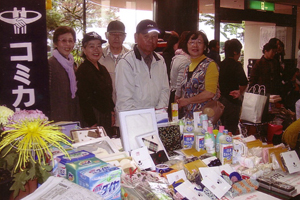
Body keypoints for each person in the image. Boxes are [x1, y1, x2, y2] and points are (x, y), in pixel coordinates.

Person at [115, 19, 169, 113]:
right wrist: (143, 119)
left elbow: (165, 90)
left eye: (154, 37)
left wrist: (159, 113)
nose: (150, 40)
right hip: (134, 120)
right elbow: (125, 101)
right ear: (136, 37)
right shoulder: (126, 62)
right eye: (146, 36)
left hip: (156, 119)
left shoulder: (160, 60)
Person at [76, 32, 114, 137]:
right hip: (92, 118)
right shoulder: (83, 70)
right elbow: (84, 100)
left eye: (99, 46)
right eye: (91, 46)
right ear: (84, 50)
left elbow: (108, 93)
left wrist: (111, 112)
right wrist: (92, 123)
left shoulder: (103, 69)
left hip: (105, 116)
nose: (96, 50)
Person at [177, 31, 219, 119]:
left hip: (205, 118)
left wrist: (187, 101)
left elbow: (210, 93)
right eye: (191, 42)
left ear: (204, 46)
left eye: (199, 42)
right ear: (186, 45)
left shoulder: (210, 65)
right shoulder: (187, 66)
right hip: (189, 117)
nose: (195, 46)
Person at [99, 20, 130, 137]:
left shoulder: (131, 57)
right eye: (113, 34)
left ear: (124, 37)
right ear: (107, 36)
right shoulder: (98, 56)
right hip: (104, 111)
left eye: (120, 35)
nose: (116, 38)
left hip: (126, 110)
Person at [48, 26, 81, 122]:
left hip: (72, 115)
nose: (67, 44)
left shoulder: (72, 65)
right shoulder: (50, 64)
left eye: (70, 41)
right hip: (56, 117)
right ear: (55, 43)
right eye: (63, 41)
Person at [219, 39, 248, 135]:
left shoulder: (219, 65)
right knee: (231, 129)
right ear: (235, 52)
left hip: (219, 101)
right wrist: (240, 91)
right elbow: (244, 82)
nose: (240, 54)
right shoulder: (236, 65)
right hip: (232, 101)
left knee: (221, 128)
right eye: (239, 52)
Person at [169, 31, 190, 119]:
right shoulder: (186, 60)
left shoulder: (177, 57)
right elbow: (179, 83)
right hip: (179, 98)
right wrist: (176, 102)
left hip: (173, 93)